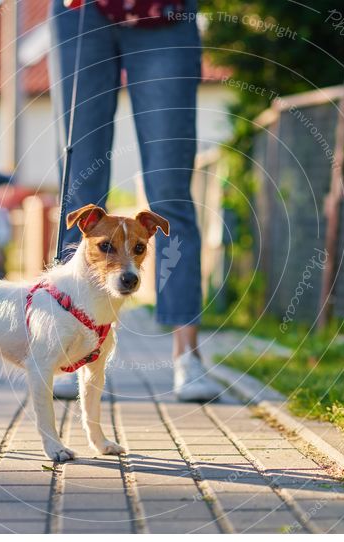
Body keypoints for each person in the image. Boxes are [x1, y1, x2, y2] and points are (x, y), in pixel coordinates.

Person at [48, 0, 221, 401]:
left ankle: (187, 357)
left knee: (170, 192)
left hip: (164, 10)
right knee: (80, 192)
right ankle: (65, 349)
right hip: (81, 12)